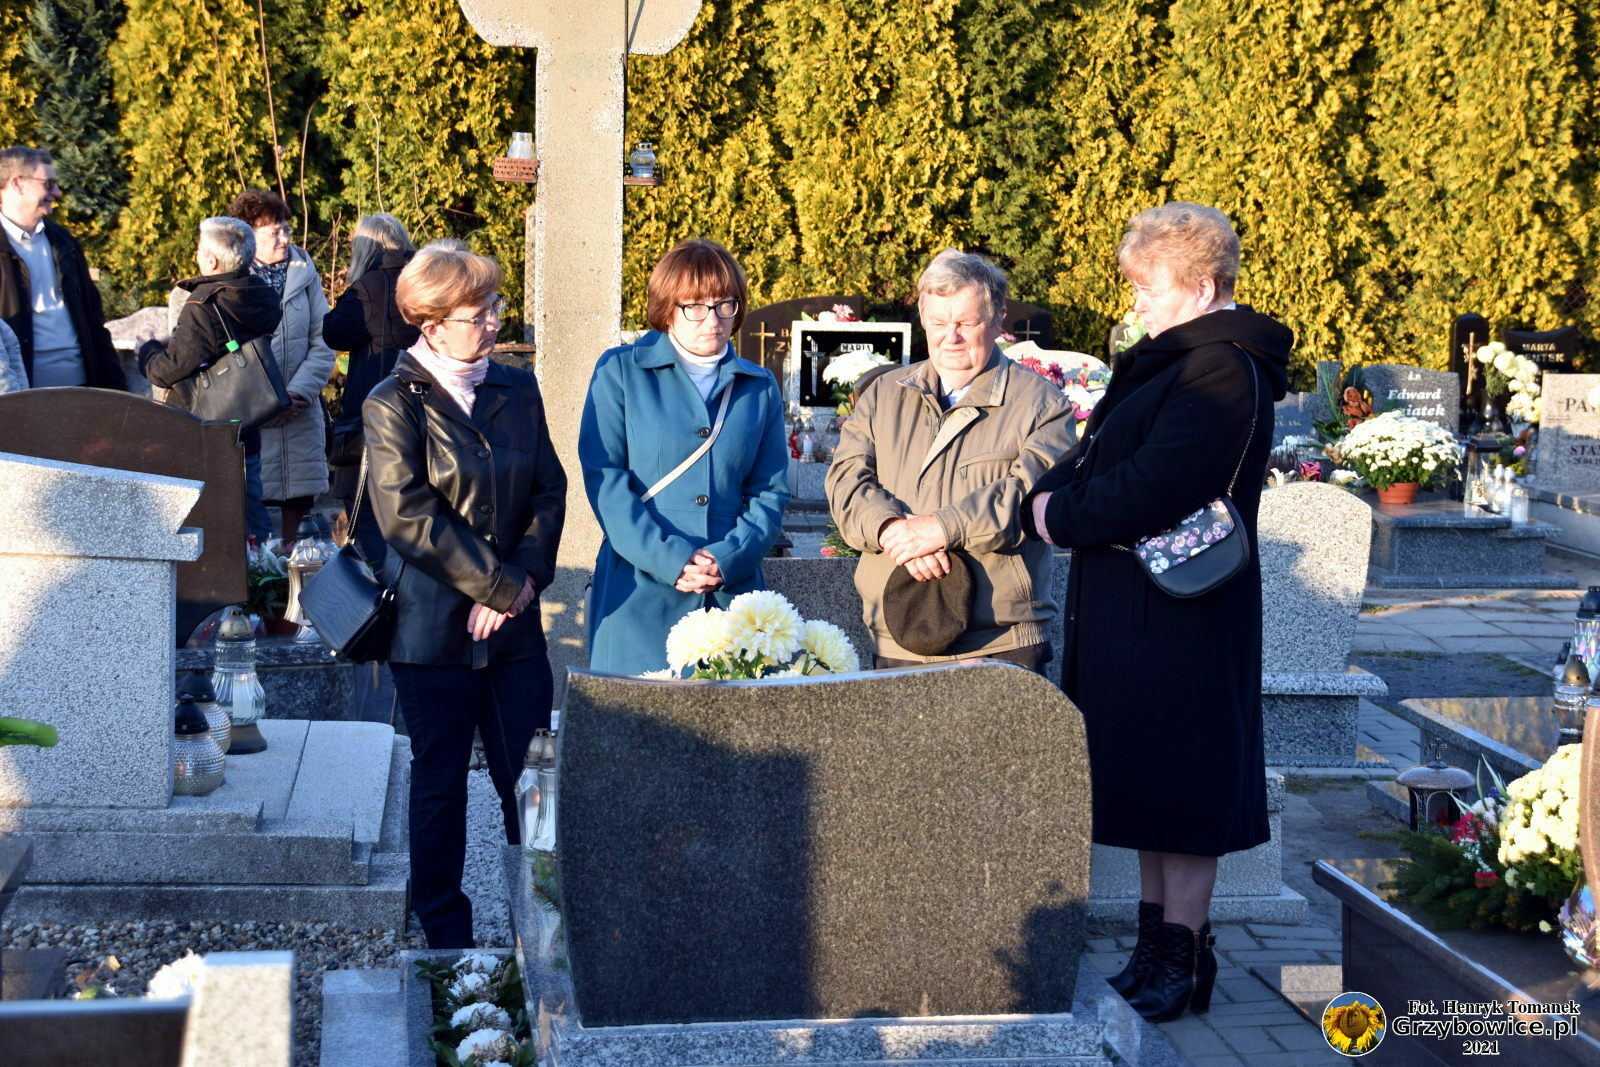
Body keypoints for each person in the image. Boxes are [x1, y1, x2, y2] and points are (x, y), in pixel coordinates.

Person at [1024, 203, 1291, 1022]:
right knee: (1148, 782)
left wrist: (1061, 517)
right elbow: (1098, 453)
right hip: (1136, 607)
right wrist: (1045, 493)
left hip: (1187, 614)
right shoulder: (1169, 358)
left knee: (1187, 788)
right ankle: (1154, 953)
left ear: (1202, 287)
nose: (1135, 301)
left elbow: (1158, 484)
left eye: (1149, 285)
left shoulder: (1224, 367)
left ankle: (1183, 956)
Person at [363, 242, 566, 948]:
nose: (493, 322)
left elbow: (548, 490)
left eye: (494, 307)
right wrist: (498, 584)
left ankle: (544, 929)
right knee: (441, 782)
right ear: (432, 323)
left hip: (514, 630)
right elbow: (408, 516)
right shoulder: (392, 402)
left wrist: (520, 584)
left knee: (531, 781)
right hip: (431, 630)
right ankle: (447, 942)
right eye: (477, 314)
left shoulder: (518, 389)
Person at [825, 249, 1074, 672]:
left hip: (999, 638)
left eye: (966, 323)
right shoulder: (882, 395)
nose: (950, 337)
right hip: (897, 628)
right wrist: (893, 530)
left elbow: (1027, 495)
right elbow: (846, 482)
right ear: (923, 319)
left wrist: (939, 529)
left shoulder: (1042, 404)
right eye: (939, 323)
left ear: (997, 320)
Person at [579, 238, 789, 675]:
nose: (712, 320)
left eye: (725, 304)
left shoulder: (759, 386)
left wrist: (728, 558)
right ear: (667, 308)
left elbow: (769, 490)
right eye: (694, 306)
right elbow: (606, 480)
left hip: (730, 593)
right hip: (638, 587)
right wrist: (670, 560)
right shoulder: (620, 371)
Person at [138, 218, 283, 540]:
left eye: (199, 248)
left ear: (212, 260)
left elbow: (172, 368)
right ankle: (262, 563)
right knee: (249, 498)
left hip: (203, 420)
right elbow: (222, 342)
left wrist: (147, 351)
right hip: (248, 412)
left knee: (206, 509)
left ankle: (218, 566)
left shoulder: (204, 303)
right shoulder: (262, 293)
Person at [227, 189, 335, 540]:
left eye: (286, 229)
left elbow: (324, 339)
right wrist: (268, 403)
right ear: (247, 236)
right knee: (248, 523)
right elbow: (225, 352)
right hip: (252, 418)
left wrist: (295, 395)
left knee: (299, 529)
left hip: (299, 412)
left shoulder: (303, 268)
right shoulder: (230, 278)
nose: (285, 238)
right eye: (274, 232)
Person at [324, 212, 420, 561]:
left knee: (367, 516)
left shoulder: (369, 288)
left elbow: (334, 332)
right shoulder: (427, 278)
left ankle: (382, 588)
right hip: (425, 409)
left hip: (374, 410)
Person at [0, 146, 126, 390]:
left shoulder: (64, 242)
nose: (57, 192)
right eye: (48, 184)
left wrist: (116, 387)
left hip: (82, 388)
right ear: (18, 184)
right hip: (18, 394)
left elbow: (94, 322)